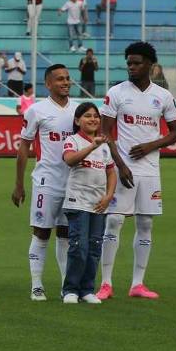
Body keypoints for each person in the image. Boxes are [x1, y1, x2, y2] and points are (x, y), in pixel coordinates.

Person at [97, 41, 176, 300]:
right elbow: (104, 133)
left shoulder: (163, 96)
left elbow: (175, 133)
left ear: (150, 65)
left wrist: (151, 146)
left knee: (145, 223)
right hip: (124, 169)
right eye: (129, 63)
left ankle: (137, 284)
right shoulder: (117, 93)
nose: (131, 67)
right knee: (114, 220)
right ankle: (106, 283)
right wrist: (120, 165)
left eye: (137, 63)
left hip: (150, 170)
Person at [12, 64, 79, 301]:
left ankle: (66, 285)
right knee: (41, 232)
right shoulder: (36, 111)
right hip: (46, 181)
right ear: (48, 84)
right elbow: (24, 147)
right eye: (60, 79)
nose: (65, 82)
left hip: (73, 182)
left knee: (66, 234)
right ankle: (37, 285)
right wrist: (19, 184)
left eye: (67, 78)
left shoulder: (79, 110)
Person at [60, 103, 116, 304]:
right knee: (79, 247)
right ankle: (70, 290)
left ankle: (87, 290)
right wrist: (93, 145)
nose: (93, 119)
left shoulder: (105, 147)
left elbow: (111, 172)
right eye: (87, 116)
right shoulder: (73, 140)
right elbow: (69, 160)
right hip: (77, 202)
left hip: (98, 204)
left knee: (94, 247)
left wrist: (109, 196)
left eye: (95, 116)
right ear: (77, 121)